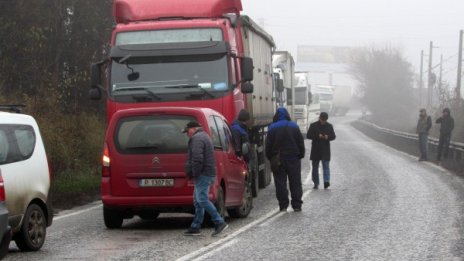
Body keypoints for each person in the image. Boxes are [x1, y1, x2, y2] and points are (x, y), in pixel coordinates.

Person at [183, 121, 228, 236]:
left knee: (202, 199)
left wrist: (194, 173)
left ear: (193, 129)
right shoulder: (205, 136)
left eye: (187, 131)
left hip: (202, 173)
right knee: (197, 200)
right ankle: (196, 226)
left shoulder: (197, 139)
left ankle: (219, 222)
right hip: (207, 172)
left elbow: (197, 158)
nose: (187, 134)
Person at [265, 107, 305, 212]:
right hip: (293, 158)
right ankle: (297, 205)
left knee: (280, 183)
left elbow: (268, 145)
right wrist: (301, 154)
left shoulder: (272, 127)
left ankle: (283, 205)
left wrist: (270, 157)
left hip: (278, 160)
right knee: (295, 182)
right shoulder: (294, 126)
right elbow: (300, 142)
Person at [307, 112, 336, 189]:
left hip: (325, 150)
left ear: (327, 119)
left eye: (325, 120)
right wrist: (317, 136)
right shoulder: (313, 125)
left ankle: (326, 182)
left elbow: (333, 136)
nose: (323, 121)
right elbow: (308, 135)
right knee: (315, 167)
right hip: (316, 149)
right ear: (319, 118)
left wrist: (328, 137)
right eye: (322, 119)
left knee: (326, 166)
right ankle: (316, 183)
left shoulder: (330, 126)